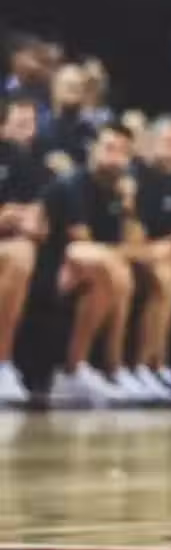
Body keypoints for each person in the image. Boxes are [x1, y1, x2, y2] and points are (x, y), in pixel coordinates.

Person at [46, 123, 149, 407]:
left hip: (96, 271)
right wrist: (136, 253)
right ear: (93, 148)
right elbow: (82, 243)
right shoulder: (72, 185)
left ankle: (115, 371)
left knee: (117, 271)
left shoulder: (117, 191)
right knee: (110, 268)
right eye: (109, 148)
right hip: (53, 269)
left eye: (122, 152)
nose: (114, 157)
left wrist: (129, 205)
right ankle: (74, 370)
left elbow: (136, 243)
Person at [130, 115, 171, 402]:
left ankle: (159, 364)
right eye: (168, 142)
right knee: (165, 275)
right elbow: (132, 234)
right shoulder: (136, 178)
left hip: (160, 255)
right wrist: (159, 248)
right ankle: (143, 365)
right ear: (150, 144)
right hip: (126, 252)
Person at [0, 93, 47, 406]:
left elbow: (39, 210)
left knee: (22, 253)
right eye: (18, 123)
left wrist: (28, 218)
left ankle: (2, 364)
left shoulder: (20, 158)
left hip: (9, 243)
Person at [39, 62, 97, 175]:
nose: (74, 89)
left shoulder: (89, 131)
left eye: (78, 86)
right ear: (54, 88)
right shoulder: (39, 127)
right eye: (69, 85)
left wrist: (71, 170)